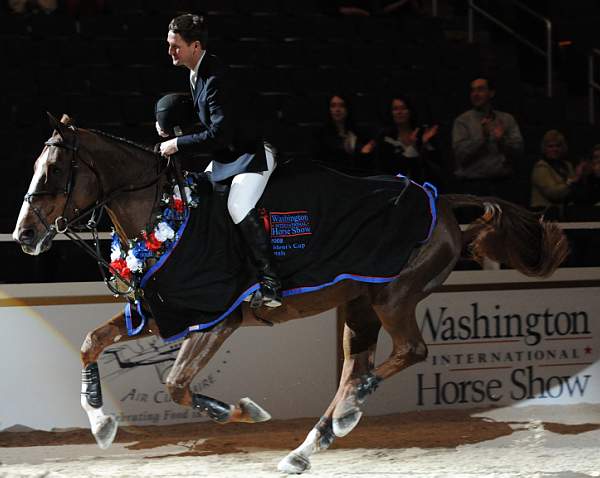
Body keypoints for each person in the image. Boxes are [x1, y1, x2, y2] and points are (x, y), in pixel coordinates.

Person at [157, 14, 281, 308]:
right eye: (169, 45)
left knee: (237, 205)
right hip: (229, 156)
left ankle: (270, 283)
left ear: (196, 46)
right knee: (202, 198)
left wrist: (176, 144)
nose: (171, 52)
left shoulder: (216, 78)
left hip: (252, 154)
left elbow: (219, 136)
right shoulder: (195, 73)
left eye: (176, 46)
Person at [452, 77, 523, 199]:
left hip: (503, 185)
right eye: (473, 90)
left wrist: (502, 140)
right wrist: (482, 137)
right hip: (474, 186)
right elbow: (460, 154)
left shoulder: (506, 119)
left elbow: (519, 151)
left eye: (480, 90)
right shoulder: (463, 121)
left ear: (491, 93)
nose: (475, 94)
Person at [373, 95, 441, 185]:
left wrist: (424, 145)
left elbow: (434, 167)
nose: (400, 112)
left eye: (403, 108)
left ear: (410, 111)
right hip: (394, 188)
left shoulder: (421, 134)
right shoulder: (385, 138)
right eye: (395, 109)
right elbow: (386, 169)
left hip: (423, 188)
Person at [312, 93, 374, 175]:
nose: (337, 109)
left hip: (356, 178)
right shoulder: (321, 135)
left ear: (347, 109)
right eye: (333, 106)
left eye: (341, 105)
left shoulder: (358, 133)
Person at [530, 130, 582, 218]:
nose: (555, 149)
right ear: (544, 148)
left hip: (566, 213)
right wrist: (572, 181)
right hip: (545, 214)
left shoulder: (567, 165)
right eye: (550, 146)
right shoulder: (541, 167)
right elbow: (553, 193)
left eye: (558, 146)